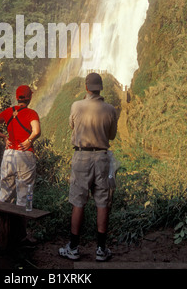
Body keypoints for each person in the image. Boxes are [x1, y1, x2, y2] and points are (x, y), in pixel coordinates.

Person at [59, 72, 117, 262]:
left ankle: (74, 248)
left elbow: (71, 126)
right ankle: (101, 249)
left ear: (86, 87)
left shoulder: (76, 106)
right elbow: (112, 136)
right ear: (101, 88)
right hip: (102, 157)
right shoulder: (110, 109)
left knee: (78, 201)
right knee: (102, 202)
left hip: (81, 156)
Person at [0, 84, 41, 243]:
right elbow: (37, 131)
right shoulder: (31, 113)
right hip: (25, 156)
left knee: (5, 193)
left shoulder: (9, 111)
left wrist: (3, 137)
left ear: (17, 97)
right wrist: (29, 141)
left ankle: (0, 233)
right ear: (30, 98)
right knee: (25, 195)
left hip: (9, 155)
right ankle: (20, 236)